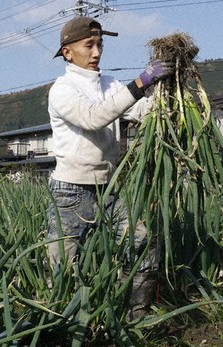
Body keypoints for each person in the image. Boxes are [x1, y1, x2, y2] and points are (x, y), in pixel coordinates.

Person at [47, 16, 170, 319]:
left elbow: (142, 110)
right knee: (65, 264)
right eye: (89, 45)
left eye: (100, 45)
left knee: (141, 241)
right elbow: (94, 117)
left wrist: (165, 91)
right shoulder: (62, 89)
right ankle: (63, 325)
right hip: (70, 192)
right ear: (67, 52)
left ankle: (136, 317)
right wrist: (140, 82)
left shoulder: (110, 85)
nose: (97, 52)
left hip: (109, 188)